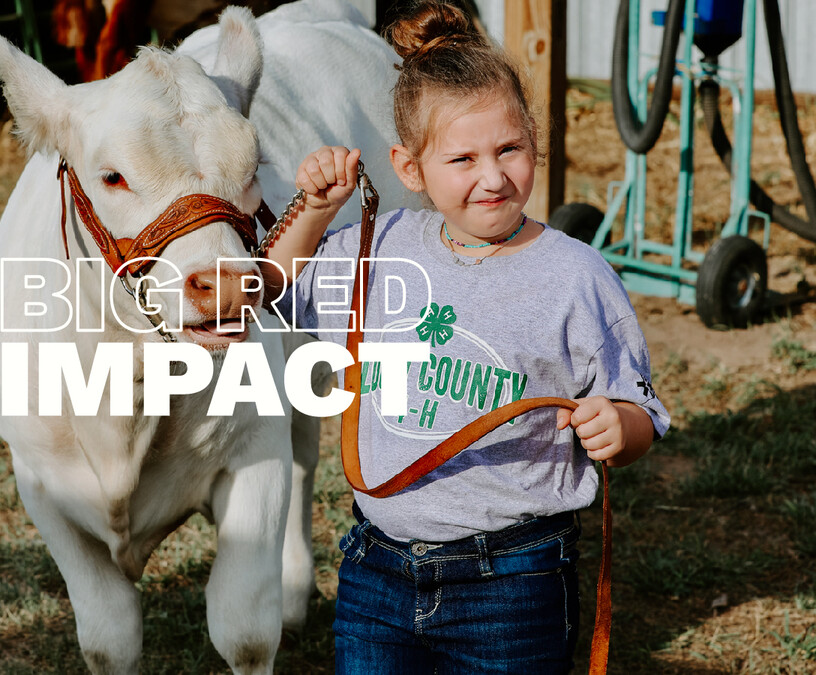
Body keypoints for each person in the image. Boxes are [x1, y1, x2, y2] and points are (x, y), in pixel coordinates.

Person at [262, 2, 671, 673]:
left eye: (509, 148)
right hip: (377, 570)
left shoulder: (573, 274)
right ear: (411, 167)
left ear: (534, 142)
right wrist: (314, 209)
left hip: (513, 580)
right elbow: (271, 291)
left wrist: (619, 427)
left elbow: (641, 408)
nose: (493, 176)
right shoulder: (380, 247)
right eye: (463, 158)